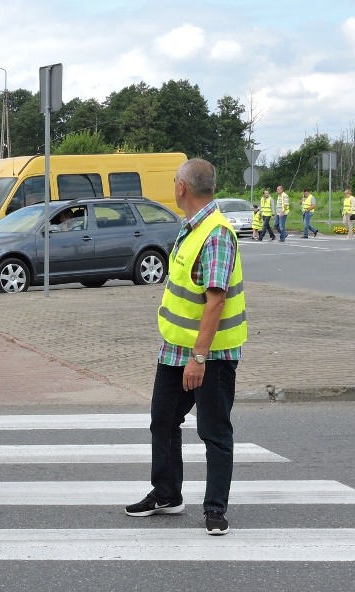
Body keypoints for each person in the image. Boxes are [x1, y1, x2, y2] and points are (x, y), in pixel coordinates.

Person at [125, 158, 247, 536]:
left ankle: (215, 510)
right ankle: (166, 494)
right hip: (175, 349)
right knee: (163, 420)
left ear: (182, 188)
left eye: (175, 181)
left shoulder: (216, 234)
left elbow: (216, 301)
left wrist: (199, 358)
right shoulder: (192, 227)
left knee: (214, 431)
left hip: (209, 355)